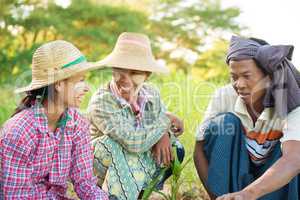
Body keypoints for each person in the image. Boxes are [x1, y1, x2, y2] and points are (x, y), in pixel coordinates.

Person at [193, 36, 300, 200]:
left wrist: (248, 194)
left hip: (274, 185)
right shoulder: (225, 95)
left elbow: (293, 159)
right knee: (224, 123)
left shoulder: (292, 100)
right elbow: (199, 149)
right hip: (237, 180)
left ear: (269, 77)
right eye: (234, 77)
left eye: (246, 76)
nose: (239, 84)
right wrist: (218, 197)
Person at [0, 40, 108, 199]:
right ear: (58, 84)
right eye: (80, 80)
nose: (86, 88)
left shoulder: (77, 123)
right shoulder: (19, 132)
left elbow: (85, 183)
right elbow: (16, 196)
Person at [87, 32, 185, 200]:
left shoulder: (151, 93)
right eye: (120, 70)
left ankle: (138, 194)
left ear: (147, 75)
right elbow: (132, 141)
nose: (125, 78)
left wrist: (163, 133)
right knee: (111, 145)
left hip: (135, 160)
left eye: (135, 73)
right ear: (113, 69)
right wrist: (166, 120)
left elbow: (161, 125)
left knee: (176, 148)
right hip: (101, 163)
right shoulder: (102, 101)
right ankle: (111, 195)